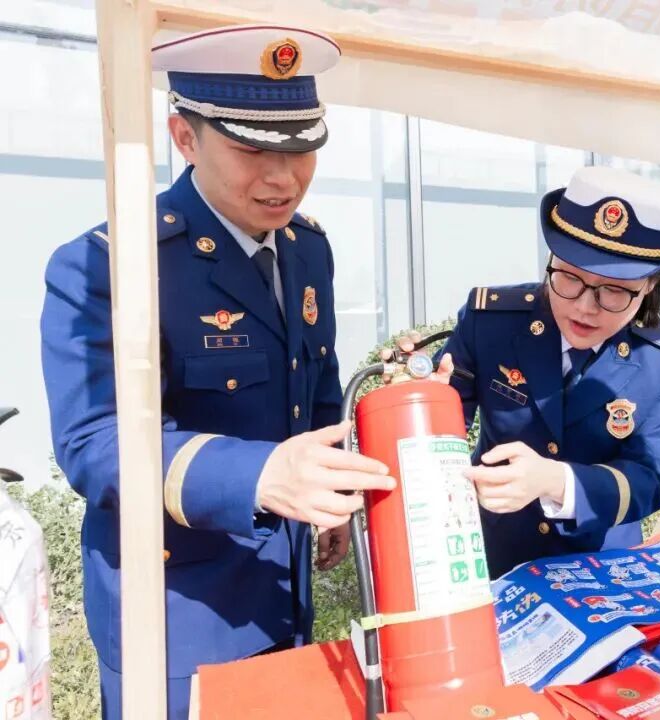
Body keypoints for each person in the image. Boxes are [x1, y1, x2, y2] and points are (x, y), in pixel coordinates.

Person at [40, 25, 395, 719]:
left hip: (283, 591)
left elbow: (315, 383)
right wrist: (262, 476)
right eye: (253, 150)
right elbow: (93, 443)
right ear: (185, 137)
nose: (282, 177)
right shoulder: (111, 265)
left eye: (301, 148)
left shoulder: (305, 249)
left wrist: (330, 487)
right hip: (179, 615)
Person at [411, 166, 660, 578]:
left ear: (650, 284)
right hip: (494, 562)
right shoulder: (490, 323)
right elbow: (440, 425)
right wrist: (417, 399)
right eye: (569, 278)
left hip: (602, 574)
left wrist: (557, 481)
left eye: (613, 290)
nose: (584, 306)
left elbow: (648, 479)